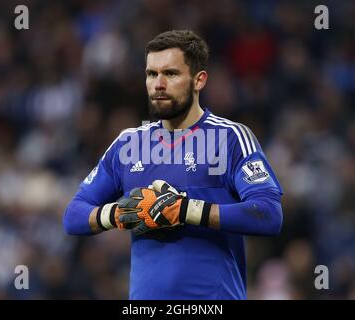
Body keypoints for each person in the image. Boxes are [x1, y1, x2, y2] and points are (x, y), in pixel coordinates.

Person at [63, 30, 283, 300]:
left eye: (171, 73)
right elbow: (73, 216)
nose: (158, 84)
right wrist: (119, 214)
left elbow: (268, 214)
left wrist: (185, 210)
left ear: (199, 80)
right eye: (151, 74)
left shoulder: (230, 138)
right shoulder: (129, 144)